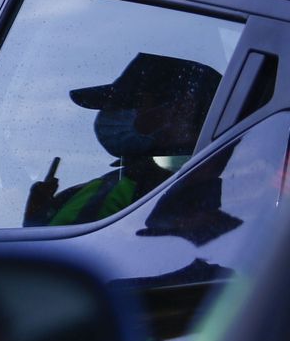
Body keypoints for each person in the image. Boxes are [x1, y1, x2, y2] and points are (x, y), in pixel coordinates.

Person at [23, 53, 222, 228]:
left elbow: (41, 263)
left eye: (127, 103)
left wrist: (37, 224)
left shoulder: (117, 192)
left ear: (183, 107)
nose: (108, 115)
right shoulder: (229, 180)